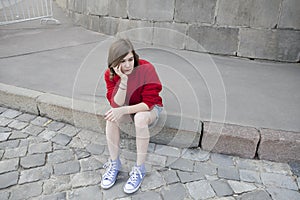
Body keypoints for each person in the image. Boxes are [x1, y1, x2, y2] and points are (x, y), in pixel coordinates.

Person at [101, 38, 163, 194]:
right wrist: (123, 80)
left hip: (150, 107)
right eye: (123, 61)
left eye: (130, 59)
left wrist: (123, 110)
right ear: (115, 62)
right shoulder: (110, 74)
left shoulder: (146, 69)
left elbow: (148, 104)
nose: (128, 65)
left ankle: (139, 169)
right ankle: (114, 163)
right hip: (129, 107)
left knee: (140, 118)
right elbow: (116, 104)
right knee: (111, 117)